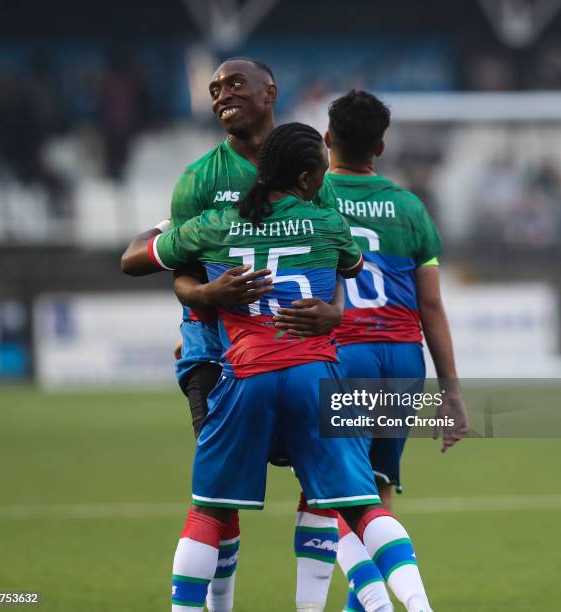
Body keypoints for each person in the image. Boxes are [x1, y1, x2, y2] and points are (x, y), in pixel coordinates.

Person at [122, 122, 434, 612]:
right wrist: (331, 305)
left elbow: (135, 259)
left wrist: (183, 258)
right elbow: (349, 269)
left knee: (208, 511)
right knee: (359, 505)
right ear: (310, 179)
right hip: (315, 373)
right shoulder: (328, 222)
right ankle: (417, 606)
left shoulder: (216, 223)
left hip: (245, 377)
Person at [122, 58, 344, 611]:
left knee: (321, 487)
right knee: (220, 501)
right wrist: (205, 298)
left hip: (298, 352)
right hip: (218, 355)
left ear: (271, 92)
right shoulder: (199, 179)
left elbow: (335, 266)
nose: (222, 94)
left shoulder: (310, 168)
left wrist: (334, 315)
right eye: (215, 89)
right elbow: (179, 274)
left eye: (235, 84)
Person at [290, 89, 466, 612]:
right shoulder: (411, 207)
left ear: (325, 141)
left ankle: (395, 604)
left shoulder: (309, 198)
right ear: (382, 147)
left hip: (344, 356)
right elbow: (431, 306)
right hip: (403, 361)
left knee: (333, 500)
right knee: (376, 501)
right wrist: (451, 393)